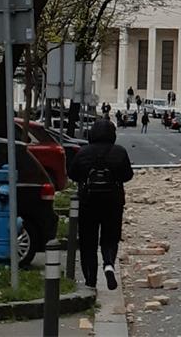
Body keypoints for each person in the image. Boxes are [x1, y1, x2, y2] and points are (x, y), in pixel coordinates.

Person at [68, 119, 134, 292]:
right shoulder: (119, 152)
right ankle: (108, 264)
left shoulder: (83, 152)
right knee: (110, 237)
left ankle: (90, 279)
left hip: (88, 202)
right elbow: (128, 175)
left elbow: (72, 173)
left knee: (88, 241)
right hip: (113, 201)